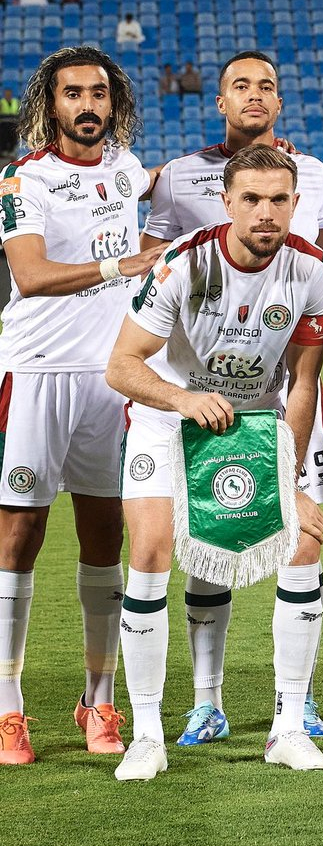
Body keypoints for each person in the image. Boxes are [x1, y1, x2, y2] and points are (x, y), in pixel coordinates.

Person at [141, 50, 323, 746]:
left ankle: (296, 700)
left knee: (302, 538)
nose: (255, 95)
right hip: (198, 395)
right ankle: (206, 701)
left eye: (267, 84)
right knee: (210, 538)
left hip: (283, 394)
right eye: (241, 85)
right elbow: (148, 266)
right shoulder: (179, 177)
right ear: (221, 101)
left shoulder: (313, 175)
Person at [106, 144, 323, 781]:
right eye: (252, 199)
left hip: (255, 427)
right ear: (227, 202)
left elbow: (304, 383)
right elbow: (121, 366)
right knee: (150, 549)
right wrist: (184, 399)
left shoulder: (311, 269)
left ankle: (288, 728)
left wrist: (290, 478)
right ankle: (147, 735)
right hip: (167, 420)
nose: (266, 213)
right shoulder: (183, 264)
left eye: (279, 200)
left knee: (305, 542)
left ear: (295, 203)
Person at [0, 46, 167, 765]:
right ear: (52, 103)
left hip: (110, 378)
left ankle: (99, 699)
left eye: (99, 93)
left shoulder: (127, 167)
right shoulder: (23, 179)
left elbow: (162, 193)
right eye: (73, 93)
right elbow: (30, 274)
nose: (88, 105)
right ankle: (7, 708)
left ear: (113, 102)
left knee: (104, 538)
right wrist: (120, 265)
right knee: (18, 536)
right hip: (36, 373)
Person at [0, 89, 18, 155]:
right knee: (4, 137)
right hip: (3, 123)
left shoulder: (15, 101)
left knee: (13, 137)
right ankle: (3, 151)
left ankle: (11, 151)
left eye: (9, 93)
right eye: (6, 94)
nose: (8, 95)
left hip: (13, 122)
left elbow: (19, 112)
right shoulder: (1, 102)